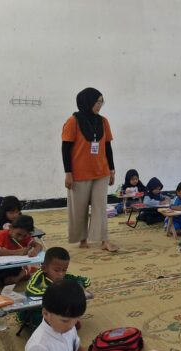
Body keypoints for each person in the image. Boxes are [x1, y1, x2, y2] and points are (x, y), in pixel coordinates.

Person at [62, 87, 118, 253]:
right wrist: (68, 173)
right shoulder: (73, 121)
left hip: (101, 172)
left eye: (101, 101)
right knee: (79, 209)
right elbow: (65, 149)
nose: (100, 105)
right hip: (79, 174)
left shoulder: (103, 121)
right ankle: (83, 238)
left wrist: (112, 170)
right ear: (87, 101)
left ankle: (104, 240)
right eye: (97, 101)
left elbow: (107, 146)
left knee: (100, 207)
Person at [22, 247, 91, 329]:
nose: (61, 274)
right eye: (56, 270)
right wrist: (58, 293)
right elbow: (30, 290)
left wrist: (80, 285)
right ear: (44, 268)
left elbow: (85, 280)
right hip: (38, 310)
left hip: (55, 310)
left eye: (64, 270)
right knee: (38, 318)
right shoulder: (39, 276)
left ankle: (63, 323)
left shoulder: (65, 276)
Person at [0, 215, 43, 290]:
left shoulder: (26, 237)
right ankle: (21, 274)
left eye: (24, 236)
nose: (20, 238)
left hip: (14, 266)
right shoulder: (2, 234)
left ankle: (20, 275)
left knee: (11, 281)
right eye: (18, 234)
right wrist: (16, 252)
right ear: (11, 228)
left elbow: (38, 245)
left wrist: (35, 251)